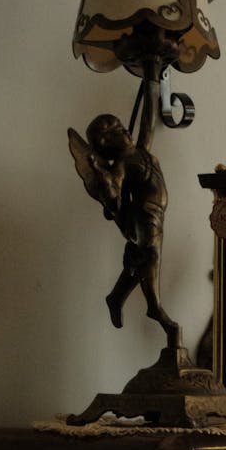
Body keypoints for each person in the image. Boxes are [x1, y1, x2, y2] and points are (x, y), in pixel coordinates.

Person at [68, 113, 176, 338]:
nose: (126, 130)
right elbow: (112, 193)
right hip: (143, 216)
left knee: (139, 260)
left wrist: (152, 81)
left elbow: (148, 119)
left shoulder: (142, 150)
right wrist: (100, 173)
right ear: (105, 143)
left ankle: (116, 297)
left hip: (156, 215)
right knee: (152, 255)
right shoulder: (122, 164)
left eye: (121, 125)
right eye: (117, 131)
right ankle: (154, 307)